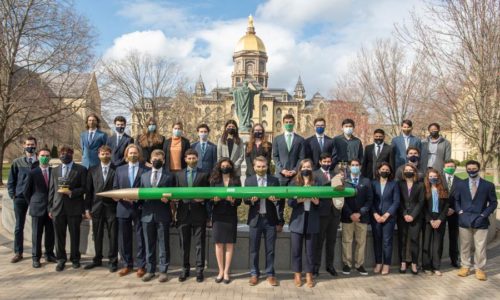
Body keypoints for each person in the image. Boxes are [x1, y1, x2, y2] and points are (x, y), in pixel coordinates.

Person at [456, 160, 497, 281]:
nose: (471, 171)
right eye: (469, 168)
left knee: (480, 246)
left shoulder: (488, 185)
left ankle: (480, 269)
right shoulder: (461, 184)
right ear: (466, 169)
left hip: (481, 220)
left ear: (478, 169)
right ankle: (465, 266)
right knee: (465, 245)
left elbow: (494, 203)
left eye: (474, 168)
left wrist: (484, 214)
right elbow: (456, 200)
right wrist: (459, 212)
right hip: (464, 219)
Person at [48, 145, 87, 271]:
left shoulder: (81, 169)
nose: (64, 155)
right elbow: (51, 190)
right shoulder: (55, 170)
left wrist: (71, 192)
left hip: (74, 208)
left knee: (75, 235)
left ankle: (75, 258)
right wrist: (50, 208)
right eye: (62, 153)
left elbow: (84, 188)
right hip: (58, 208)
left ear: (72, 154)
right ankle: (61, 259)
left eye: (67, 153)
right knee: (59, 236)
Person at [244, 156, 282, 287]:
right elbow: (245, 200)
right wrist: (251, 200)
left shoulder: (274, 180)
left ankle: (270, 274)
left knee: (270, 249)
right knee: (254, 249)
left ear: (267, 167)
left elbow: (280, 199)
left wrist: (275, 199)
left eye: (263, 166)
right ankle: (254, 274)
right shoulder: (249, 181)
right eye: (258, 167)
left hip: (270, 219)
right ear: (254, 167)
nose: (261, 169)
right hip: (255, 219)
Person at [140, 150, 176, 283]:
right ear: (150, 159)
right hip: (147, 215)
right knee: (149, 244)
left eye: (160, 158)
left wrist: (170, 200)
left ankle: (163, 271)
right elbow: (140, 195)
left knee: (163, 244)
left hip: (163, 214)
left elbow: (174, 194)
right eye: (154, 158)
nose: (157, 160)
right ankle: (150, 270)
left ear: (164, 161)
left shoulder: (170, 176)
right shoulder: (144, 176)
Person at [174, 149, 210, 282]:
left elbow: (209, 194)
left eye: (194, 158)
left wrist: (204, 199)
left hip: (199, 213)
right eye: (189, 158)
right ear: (185, 159)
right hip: (183, 213)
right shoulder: (178, 175)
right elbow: (175, 193)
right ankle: (185, 269)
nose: (191, 160)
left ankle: (199, 270)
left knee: (199, 243)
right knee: (184, 243)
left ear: (197, 158)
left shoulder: (204, 174)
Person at [113, 144, 148, 277]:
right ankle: (127, 264)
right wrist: (122, 197)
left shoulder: (145, 170)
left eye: (135, 153)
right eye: (130, 153)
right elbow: (116, 187)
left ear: (139, 155)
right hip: (123, 207)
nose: (133, 155)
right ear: (126, 155)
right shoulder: (119, 170)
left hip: (139, 208)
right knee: (124, 238)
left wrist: (137, 199)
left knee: (140, 238)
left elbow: (147, 189)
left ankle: (141, 266)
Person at [84, 145, 118, 272]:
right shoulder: (92, 170)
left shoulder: (117, 170)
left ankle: (113, 261)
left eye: (107, 154)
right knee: (97, 235)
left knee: (113, 235)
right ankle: (97, 259)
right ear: (98, 155)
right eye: (102, 154)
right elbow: (88, 191)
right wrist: (87, 209)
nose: (105, 156)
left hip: (112, 208)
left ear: (111, 155)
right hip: (96, 208)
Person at [7, 136, 39, 263]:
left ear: (36, 145)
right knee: (19, 226)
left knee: (37, 227)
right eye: (28, 144)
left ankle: (37, 253)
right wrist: (12, 195)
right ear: (24, 146)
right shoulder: (17, 162)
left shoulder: (40, 161)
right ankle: (18, 252)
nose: (30, 146)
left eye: (32, 144)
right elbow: (11, 180)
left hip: (35, 198)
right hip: (20, 198)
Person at [210, 158, 242, 284]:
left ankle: (227, 272)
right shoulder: (214, 180)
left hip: (230, 215)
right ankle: (220, 271)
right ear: (219, 167)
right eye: (222, 165)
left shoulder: (236, 180)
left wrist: (233, 200)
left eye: (227, 165)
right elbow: (209, 199)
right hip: (218, 215)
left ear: (231, 167)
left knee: (229, 244)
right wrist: (214, 200)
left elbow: (240, 200)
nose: (225, 167)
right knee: (218, 244)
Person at [289, 159, 320, 288]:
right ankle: (297, 274)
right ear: (300, 169)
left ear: (312, 168)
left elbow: (323, 203)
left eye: (309, 167)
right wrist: (299, 200)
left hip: (312, 220)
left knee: (311, 251)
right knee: (296, 250)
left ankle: (309, 275)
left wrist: (317, 202)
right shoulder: (294, 183)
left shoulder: (317, 183)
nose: (306, 169)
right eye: (304, 167)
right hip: (298, 221)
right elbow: (290, 203)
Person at [24, 147, 55, 268]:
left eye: (47, 155)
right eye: (43, 155)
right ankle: (36, 257)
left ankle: (49, 254)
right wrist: (33, 203)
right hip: (37, 208)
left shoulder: (54, 171)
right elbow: (26, 191)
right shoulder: (33, 172)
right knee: (36, 234)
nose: (45, 157)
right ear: (38, 156)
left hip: (51, 208)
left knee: (50, 233)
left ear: (50, 157)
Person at [341, 159, 372, 276]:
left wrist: (360, 213)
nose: (355, 167)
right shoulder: (344, 181)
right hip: (347, 216)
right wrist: (350, 214)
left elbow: (370, 200)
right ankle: (347, 264)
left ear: (360, 166)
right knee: (347, 241)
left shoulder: (366, 181)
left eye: (357, 165)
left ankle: (360, 265)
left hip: (362, 217)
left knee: (361, 242)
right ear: (349, 167)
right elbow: (342, 199)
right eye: (352, 165)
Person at [313, 153, 342, 277]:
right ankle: (316, 268)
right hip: (321, 212)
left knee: (332, 241)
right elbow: (314, 191)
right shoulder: (314, 174)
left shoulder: (336, 175)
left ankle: (330, 266)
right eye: (324, 161)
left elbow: (340, 191)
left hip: (334, 213)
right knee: (319, 242)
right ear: (320, 162)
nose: (326, 163)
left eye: (329, 161)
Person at [371, 162, 400, 275]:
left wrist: (386, 215)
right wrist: (375, 214)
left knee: (387, 241)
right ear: (378, 171)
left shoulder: (394, 184)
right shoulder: (373, 183)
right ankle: (378, 263)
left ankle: (387, 264)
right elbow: (371, 200)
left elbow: (396, 202)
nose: (385, 171)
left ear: (390, 172)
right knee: (377, 240)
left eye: (387, 170)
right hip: (376, 217)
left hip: (389, 218)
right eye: (383, 169)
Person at [397, 164, 424, 274]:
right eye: (406, 170)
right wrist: (404, 214)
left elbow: (421, 202)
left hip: (415, 217)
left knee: (415, 240)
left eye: (410, 170)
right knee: (402, 240)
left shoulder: (420, 185)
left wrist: (412, 215)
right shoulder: (399, 184)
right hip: (402, 216)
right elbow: (398, 201)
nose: (408, 171)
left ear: (414, 172)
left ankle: (414, 263)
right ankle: (403, 263)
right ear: (403, 172)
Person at [422, 168, 450, 276]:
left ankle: (436, 266)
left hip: (440, 219)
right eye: (431, 177)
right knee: (426, 243)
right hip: (428, 219)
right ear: (427, 178)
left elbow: (446, 206)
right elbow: (423, 206)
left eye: (435, 176)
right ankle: (426, 266)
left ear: (438, 177)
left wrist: (440, 219)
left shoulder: (443, 189)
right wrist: (430, 219)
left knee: (437, 244)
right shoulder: (424, 189)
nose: (433, 178)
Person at [272, 114, 305, 186]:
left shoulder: (300, 140)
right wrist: (282, 170)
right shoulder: (277, 139)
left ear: (294, 123)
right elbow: (275, 156)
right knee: (280, 196)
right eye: (286, 122)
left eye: (290, 122)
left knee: (293, 197)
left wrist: (295, 170)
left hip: (295, 176)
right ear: (283, 123)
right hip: (280, 175)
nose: (288, 124)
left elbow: (301, 157)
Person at [442, 159, 462, 268]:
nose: (450, 168)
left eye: (452, 166)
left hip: (454, 213)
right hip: (440, 213)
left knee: (454, 237)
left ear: (455, 168)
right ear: (444, 167)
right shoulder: (438, 179)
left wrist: (454, 208)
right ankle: (436, 261)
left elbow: (462, 198)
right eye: (448, 166)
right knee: (438, 238)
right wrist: (445, 209)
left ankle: (454, 259)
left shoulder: (460, 181)